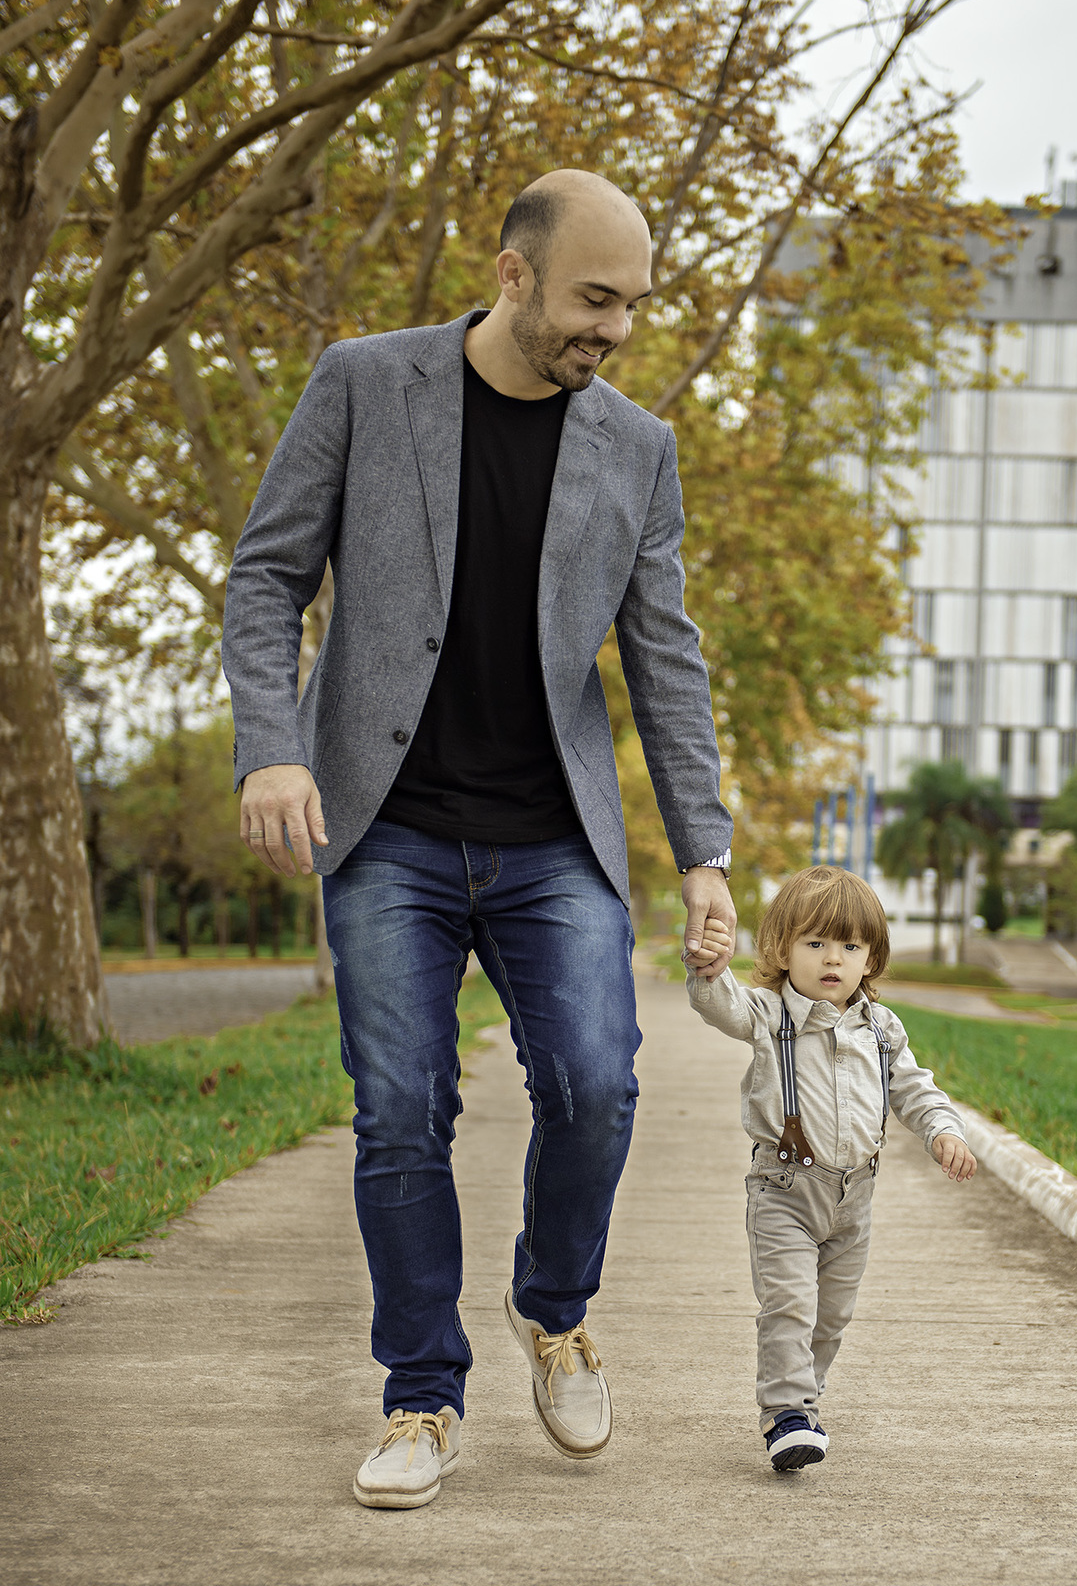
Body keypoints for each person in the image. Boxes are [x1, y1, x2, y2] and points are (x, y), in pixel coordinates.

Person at [221, 170, 736, 1508]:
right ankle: (421, 1398)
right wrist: (270, 747)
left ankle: (552, 1308)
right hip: (385, 826)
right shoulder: (363, 381)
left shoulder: (639, 448)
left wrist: (707, 855)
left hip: (550, 834)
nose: (613, 329)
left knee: (597, 1086)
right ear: (513, 276)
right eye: (593, 299)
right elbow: (269, 571)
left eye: (632, 306)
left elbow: (664, 663)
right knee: (402, 1115)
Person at [684, 865, 975, 1473]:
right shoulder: (768, 1015)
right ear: (782, 951)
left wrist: (943, 1130)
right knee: (790, 1302)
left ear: (871, 958)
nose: (832, 959)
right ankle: (785, 1413)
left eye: (849, 945)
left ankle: (804, 1399)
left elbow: (915, 1090)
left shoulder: (881, 1028)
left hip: (854, 1200)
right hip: (785, 1192)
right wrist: (709, 971)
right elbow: (722, 1007)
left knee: (832, 1315)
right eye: (814, 944)